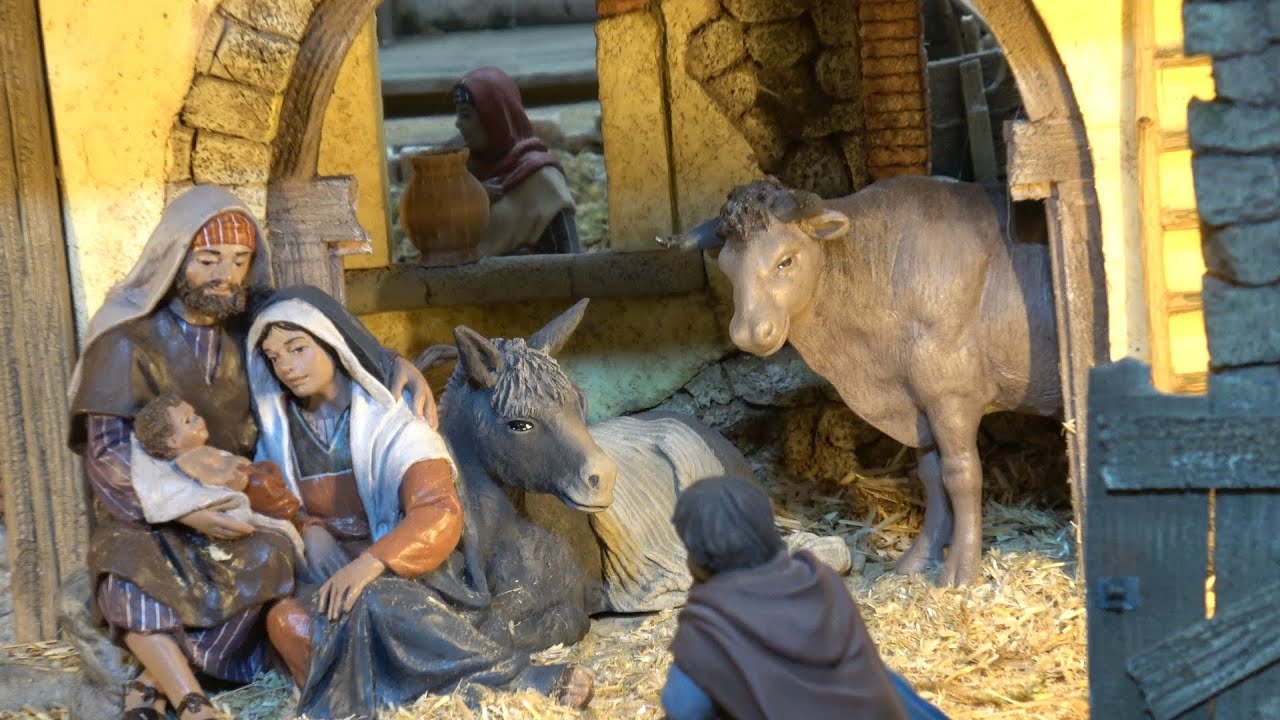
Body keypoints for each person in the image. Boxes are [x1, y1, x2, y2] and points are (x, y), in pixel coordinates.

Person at [67, 185, 437, 720]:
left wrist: (392, 362)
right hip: (152, 514)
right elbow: (106, 456)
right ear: (176, 260)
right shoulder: (123, 343)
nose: (226, 274)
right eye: (209, 259)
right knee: (128, 567)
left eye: (239, 260)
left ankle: (159, 678)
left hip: (240, 503)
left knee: (276, 558)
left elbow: (320, 330)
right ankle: (190, 700)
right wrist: (185, 508)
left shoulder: (250, 328)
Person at [248, 286, 593, 720]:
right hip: (327, 576)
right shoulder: (280, 433)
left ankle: (514, 678)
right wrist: (305, 528)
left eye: (297, 349)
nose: (287, 367)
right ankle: (376, 698)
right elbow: (268, 499)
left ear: (332, 343)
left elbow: (439, 513)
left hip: (405, 567)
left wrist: (371, 562)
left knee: (382, 603)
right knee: (286, 622)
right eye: (274, 357)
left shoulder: (389, 418)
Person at [662, 475, 949, 720]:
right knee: (885, 679)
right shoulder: (818, 579)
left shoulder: (710, 623)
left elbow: (684, 706)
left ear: (699, 557)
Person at [453, 66, 580, 257]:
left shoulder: (541, 178)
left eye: (466, 115)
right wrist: (469, 198)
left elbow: (569, 258)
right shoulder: (462, 174)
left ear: (494, 118)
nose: (458, 123)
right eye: (458, 115)